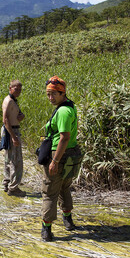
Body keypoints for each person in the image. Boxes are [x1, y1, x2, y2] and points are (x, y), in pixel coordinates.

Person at [40, 76, 82, 242]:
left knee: (50, 192)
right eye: (48, 94)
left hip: (60, 155)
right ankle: (68, 220)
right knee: (65, 187)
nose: (51, 98)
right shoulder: (70, 106)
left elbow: (64, 137)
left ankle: (46, 229)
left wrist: (55, 161)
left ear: (62, 93)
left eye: (54, 94)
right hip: (71, 154)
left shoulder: (63, 111)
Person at [0, 80, 26, 196]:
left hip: (13, 130)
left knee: (9, 158)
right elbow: (5, 120)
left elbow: (11, 117)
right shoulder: (8, 101)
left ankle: (7, 183)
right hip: (11, 131)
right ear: (10, 88)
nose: (18, 91)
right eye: (16, 89)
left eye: (20, 89)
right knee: (16, 161)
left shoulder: (13, 101)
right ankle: (13, 188)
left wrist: (19, 117)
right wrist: (14, 137)